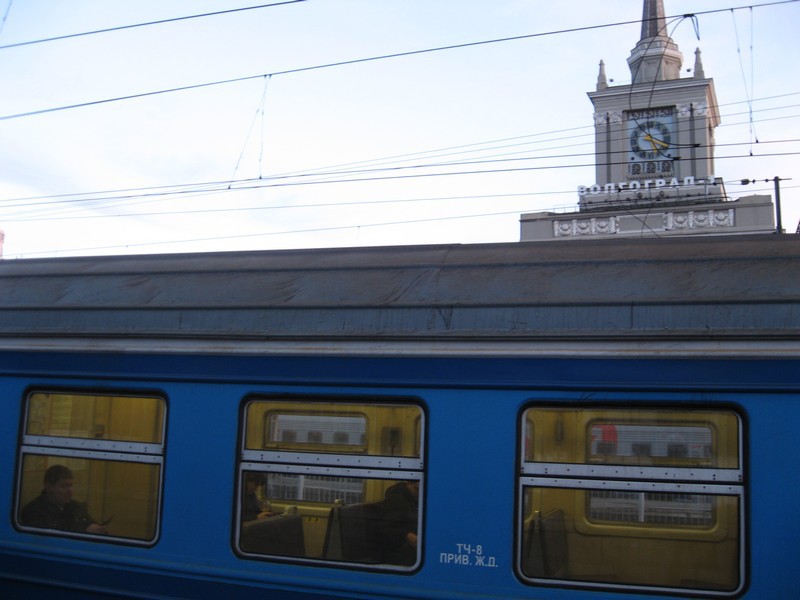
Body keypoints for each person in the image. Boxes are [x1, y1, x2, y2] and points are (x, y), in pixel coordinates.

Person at [20, 464, 108, 534]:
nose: (70, 491)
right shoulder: (33, 511)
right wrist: (84, 532)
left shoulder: (76, 507)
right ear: (48, 487)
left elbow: (91, 525)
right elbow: (49, 540)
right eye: (64, 486)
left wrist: (98, 529)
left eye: (71, 485)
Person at [380, 480, 419, 565]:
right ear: (410, 484)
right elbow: (389, 529)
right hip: (398, 550)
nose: (419, 493)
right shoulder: (396, 500)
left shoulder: (414, 500)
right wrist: (408, 536)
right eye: (417, 489)